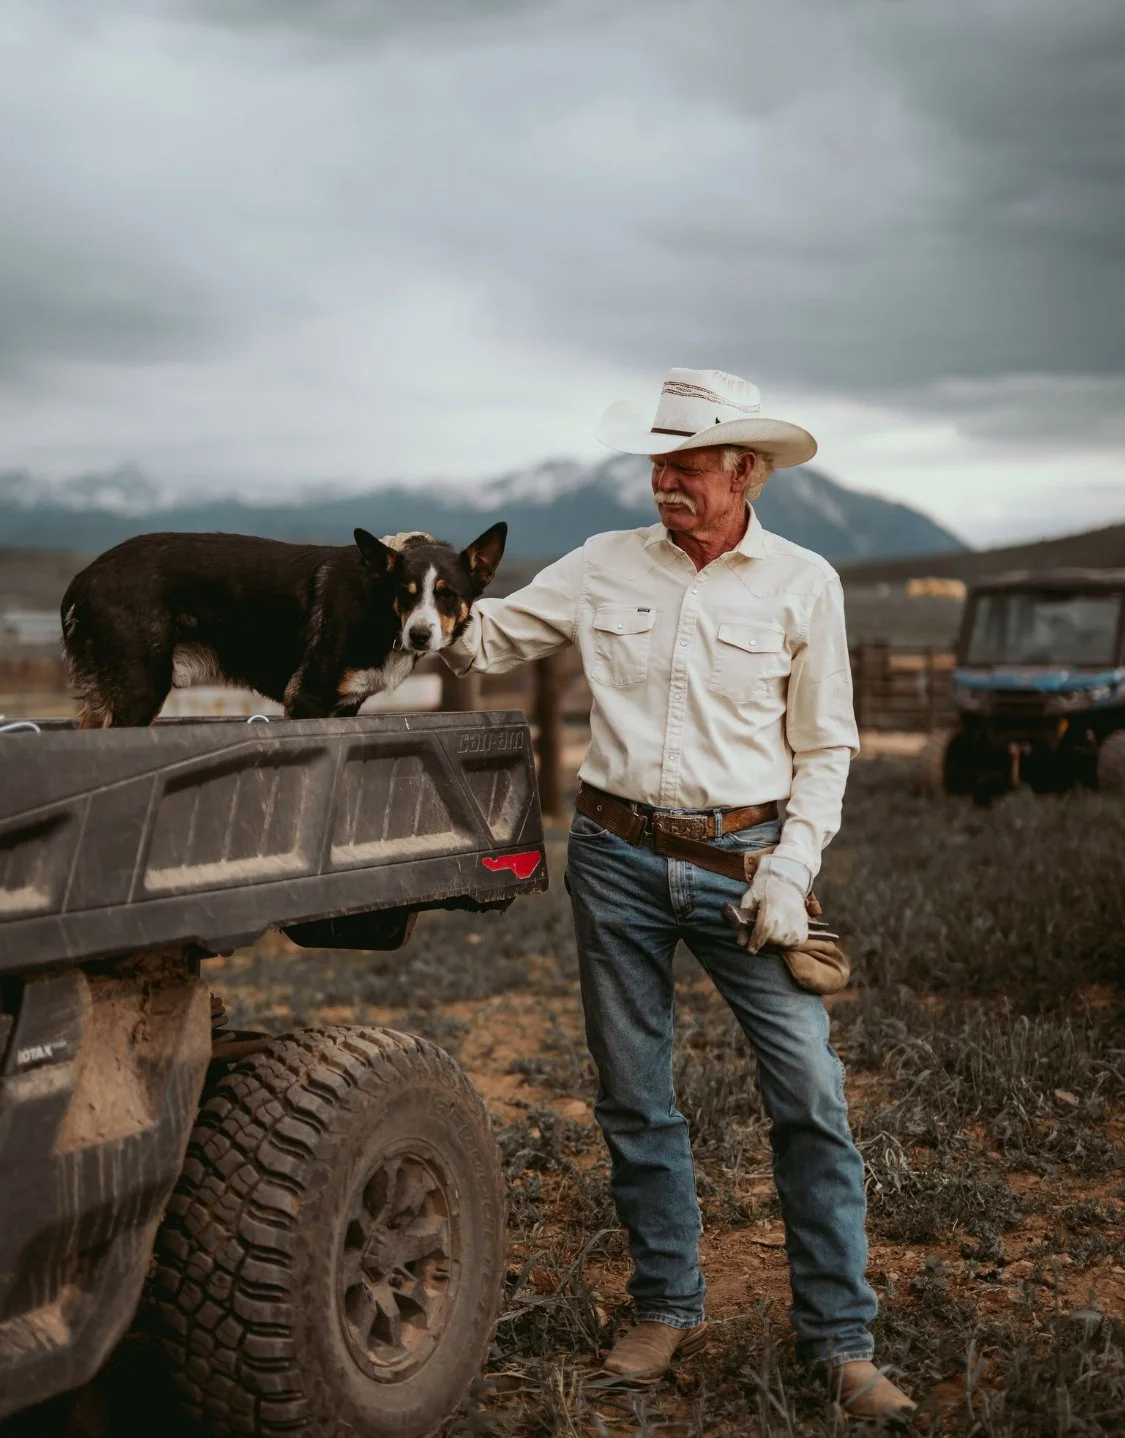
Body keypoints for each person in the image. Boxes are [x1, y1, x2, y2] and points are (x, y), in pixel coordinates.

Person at [443, 369, 915, 1420]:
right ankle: (667, 1303)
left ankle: (839, 1340)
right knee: (632, 1091)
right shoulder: (601, 565)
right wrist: (413, 591)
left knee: (810, 1094)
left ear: (745, 471)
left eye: (688, 466)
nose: (665, 482)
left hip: (746, 862)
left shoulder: (804, 582)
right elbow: (485, 637)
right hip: (612, 856)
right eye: (659, 464)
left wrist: (792, 867)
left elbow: (827, 746)